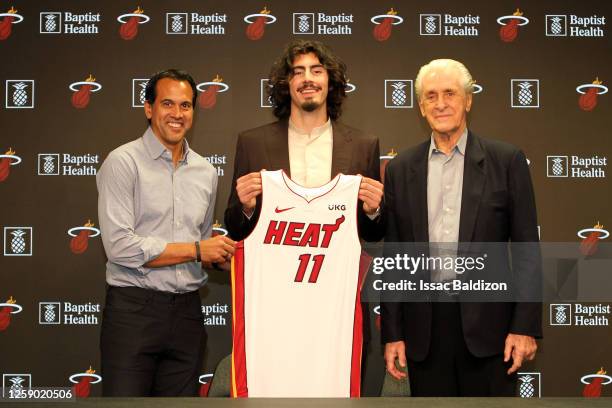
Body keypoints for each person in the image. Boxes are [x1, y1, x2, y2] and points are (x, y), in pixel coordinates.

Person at [381, 59, 542, 396]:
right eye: (431, 96)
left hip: (492, 332)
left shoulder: (506, 160)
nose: (441, 103)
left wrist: (524, 326)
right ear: (421, 106)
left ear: (468, 100)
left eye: (450, 93)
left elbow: (527, 250)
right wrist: (393, 333)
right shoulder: (400, 169)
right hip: (424, 332)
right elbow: (394, 257)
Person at [96, 69, 235, 396]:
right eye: (167, 104)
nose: (177, 114)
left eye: (185, 106)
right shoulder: (122, 162)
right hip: (133, 311)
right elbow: (120, 248)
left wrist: (232, 258)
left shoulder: (205, 172)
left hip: (187, 314)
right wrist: (198, 250)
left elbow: (200, 244)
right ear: (149, 108)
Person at [224, 39, 384, 242]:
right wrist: (246, 208)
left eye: (316, 71)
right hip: (273, 271)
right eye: (298, 72)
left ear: (330, 81)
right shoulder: (252, 143)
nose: (307, 79)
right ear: (286, 83)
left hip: (336, 271)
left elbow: (373, 235)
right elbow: (235, 229)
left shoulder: (364, 146)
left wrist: (372, 211)